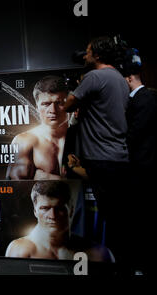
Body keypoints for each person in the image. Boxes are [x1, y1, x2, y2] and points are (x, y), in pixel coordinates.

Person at [62, 36, 130, 271]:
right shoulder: (120, 79)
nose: (85, 56)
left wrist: (72, 99)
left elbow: (67, 105)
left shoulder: (94, 76)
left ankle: (118, 265)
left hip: (102, 159)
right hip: (117, 157)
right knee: (117, 216)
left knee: (112, 219)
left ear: (98, 55)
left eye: (89, 52)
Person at [5, 181, 114, 262]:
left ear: (71, 210)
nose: (52, 216)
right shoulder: (19, 251)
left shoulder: (98, 253)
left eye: (60, 208)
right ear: (35, 211)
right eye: (45, 208)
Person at [124, 71, 156, 274]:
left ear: (128, 79)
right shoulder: (150, 96)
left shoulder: (145, 99)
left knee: (142, 220)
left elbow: (135, 135)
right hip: (144, 167)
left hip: (144, 169)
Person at [6, 76, 68, 180]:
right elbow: (17, 189)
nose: (52, 110)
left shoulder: (83, 138)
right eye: (46, 104)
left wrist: (47, 177)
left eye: (59, 103)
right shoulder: (24, 141)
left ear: (68, 105)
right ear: (37, 108)